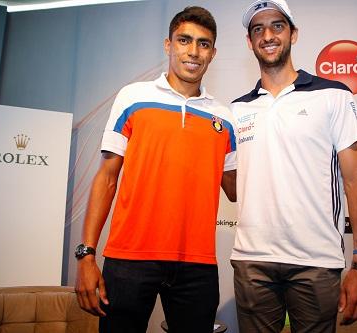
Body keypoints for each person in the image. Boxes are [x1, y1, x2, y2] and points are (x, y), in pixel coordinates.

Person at [74, 6, 236, 333]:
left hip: (197, 264)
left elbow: (236, 188)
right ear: (168, 45)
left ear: (213, 53)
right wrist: (86, 255)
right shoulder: (133, 97)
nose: (193, 51)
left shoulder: (225, 118)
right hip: (130, 258)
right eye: (184, 40)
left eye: (203, 44)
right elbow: (106, 177)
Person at [229, 1, 357, 332]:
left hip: (316, 262)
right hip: (252, 260)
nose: (267, 35)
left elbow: (356, 178)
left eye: (277, 26)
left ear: (293, 34)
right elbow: (233, 185)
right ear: (249, 42)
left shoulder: (333, 95)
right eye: (257, 29)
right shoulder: (236, 109)